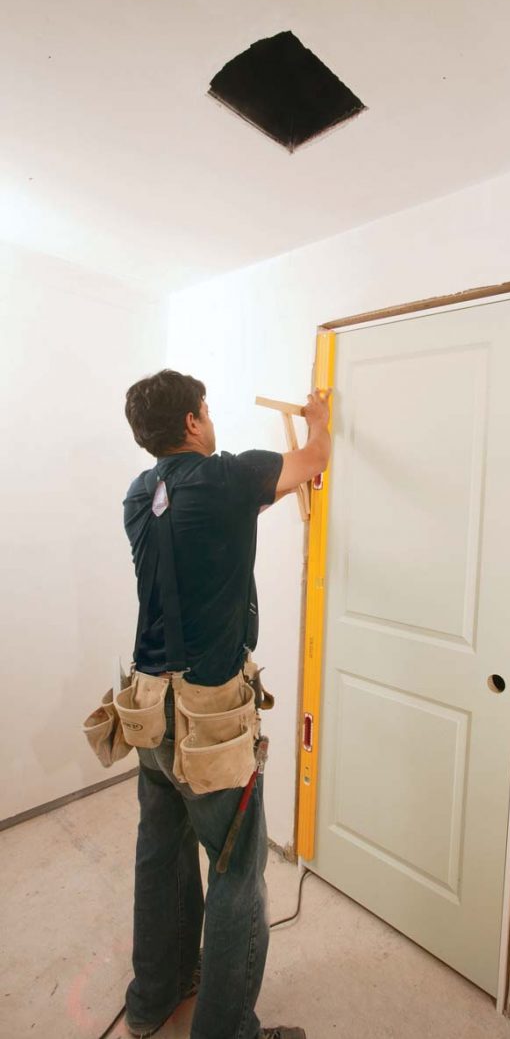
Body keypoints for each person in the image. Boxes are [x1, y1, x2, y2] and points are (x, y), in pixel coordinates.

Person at [121, 369, 330, 1039]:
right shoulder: (229, 477)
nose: (211, 422)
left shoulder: (138, 494)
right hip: (211, 720)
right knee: (237, 871)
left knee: (162, 852)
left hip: (149, 706)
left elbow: (210, 526)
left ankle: (154, 998)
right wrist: (319, 415)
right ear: (191, 422)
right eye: (205, 411)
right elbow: (313, 460)